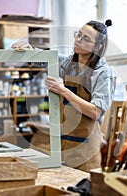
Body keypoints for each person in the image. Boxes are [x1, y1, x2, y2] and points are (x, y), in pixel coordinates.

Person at [12, 19, 114, 172]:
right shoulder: (68, 64)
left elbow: (95, 111)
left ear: (98, 47)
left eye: (86, 38)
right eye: (78, 35)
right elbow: (46, 61)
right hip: (64, 146)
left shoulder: (103, 73)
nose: (78, 40)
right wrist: (29, 51)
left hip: (88, 151)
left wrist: (63, 90)